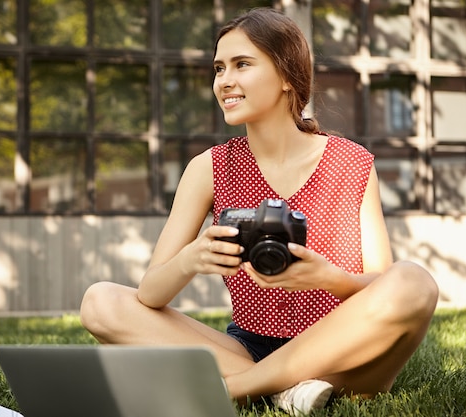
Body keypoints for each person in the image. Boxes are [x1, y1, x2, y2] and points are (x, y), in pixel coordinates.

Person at [80, 7, 438, 415]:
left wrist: (330, 279)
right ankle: (286, 393)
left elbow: (383, 282)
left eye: (242, 65)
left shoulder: (351, 162)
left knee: (414, 281)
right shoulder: (208, 168)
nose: (224, 81)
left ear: (287, 76)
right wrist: (190, 259)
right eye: (219, 68)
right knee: (100, 301)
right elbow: (149, 294)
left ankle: (238, 388)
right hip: (246, 346)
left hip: (344, 354)